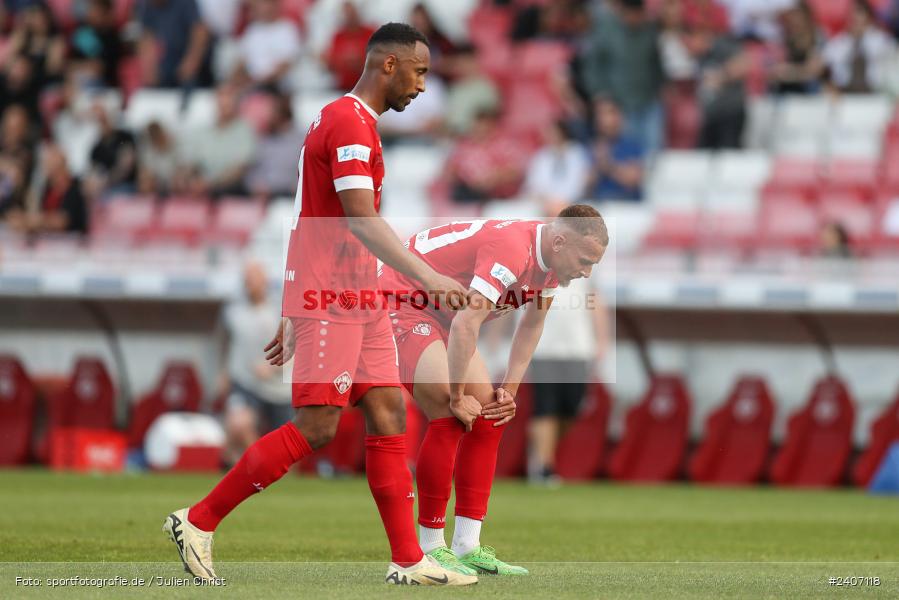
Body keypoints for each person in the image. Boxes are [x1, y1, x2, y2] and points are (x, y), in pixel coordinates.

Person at [164, 23, 474, 587]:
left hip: (360, 295)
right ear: (389, 65)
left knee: (387, 412)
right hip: (334, 297)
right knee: (316, 428)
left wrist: (290, 302)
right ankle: (198, 521)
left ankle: (408, 560)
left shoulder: (349, 120)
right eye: (420, 71)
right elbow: (358, 218)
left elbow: (311, 214)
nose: (424, 86)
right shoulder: (350, 124)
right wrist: (428, 277)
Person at [377, 205, 608, 575]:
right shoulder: (513, 250)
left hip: (446, 313)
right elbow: (468, 322)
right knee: (449, 414)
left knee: (489, 416)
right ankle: (431, 547)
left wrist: (508, 390)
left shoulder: (551, 264)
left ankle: (468, 545)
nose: (586, 272)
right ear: (560, 241)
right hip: (403, 299)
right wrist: (455, 395)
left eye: (593, 264)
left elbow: (531, 325)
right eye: (584, 260)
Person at [220, 261, 293, 466]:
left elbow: (297, 346)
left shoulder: (281, 309)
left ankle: (276, 476)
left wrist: (273, 367)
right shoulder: (233, 312)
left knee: (289, 448)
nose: (249, 283)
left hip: (279, 388)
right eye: (246, 279)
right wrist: (224, 372)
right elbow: (226, 343)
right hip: (245, 382)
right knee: (238, 424)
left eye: (253, 278)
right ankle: (259, 469)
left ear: (265, 281)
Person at [174, 83, 256, 197]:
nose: (223, 103)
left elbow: (240, 169)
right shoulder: (203, 130)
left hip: (231, 192)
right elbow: (191, 161)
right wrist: (185, 178)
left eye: (228, 98)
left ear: (236, 103)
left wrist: (210, 184)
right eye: (220, 97)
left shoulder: (245, 130)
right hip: (200, 188)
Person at [6, 142, 88, 235]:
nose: (46, 168)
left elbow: (62, 221)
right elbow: (41, 212)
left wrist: (32, 221)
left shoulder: (74, 189)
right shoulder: (48, 188)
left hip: (73, 243)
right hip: (48, 242)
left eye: (49, 164)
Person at [822, 0, 896, 94]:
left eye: (859, 12)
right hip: (844, 95)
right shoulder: (839, 43)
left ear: (869, 16)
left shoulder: (883, 41)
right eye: (851, 13)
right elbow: (822, 63)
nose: (854, 17)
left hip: (875, 95)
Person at [232, 0, 303, 92]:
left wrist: (261, 82)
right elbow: (242, 61)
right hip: (253, 85)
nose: (263, 8)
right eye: (260, 5)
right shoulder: (252, 30)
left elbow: (286, 65)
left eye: (266, 4)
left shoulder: (287, 29)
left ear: (275, 6)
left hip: (279, 87)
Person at [245, 94, 305, 199]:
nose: (267, 117)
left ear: (282, 114)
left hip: (290, 196)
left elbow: (302, 172)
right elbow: (252, 170)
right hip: (263, 196)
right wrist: (256, 184)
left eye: (272, 113)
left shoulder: (301, 140)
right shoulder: (264, 139)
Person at [588, 98, 644, 201]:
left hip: (626, 206)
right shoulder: (592, 146)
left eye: (608, 113)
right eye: (599, 114)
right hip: (600, 204)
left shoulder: (632, 144)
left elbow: (633, 179)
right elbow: (585, 184)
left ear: (619, 116)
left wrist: (609, 165)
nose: (603, 119)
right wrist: (597, 165)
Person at [325, 1, 376, 91]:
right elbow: (331, 62)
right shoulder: (338, 36)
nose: (349, 17)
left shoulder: (370, 33)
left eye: (352, 13)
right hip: (344, 87)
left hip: (368, 87)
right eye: (346, 13)